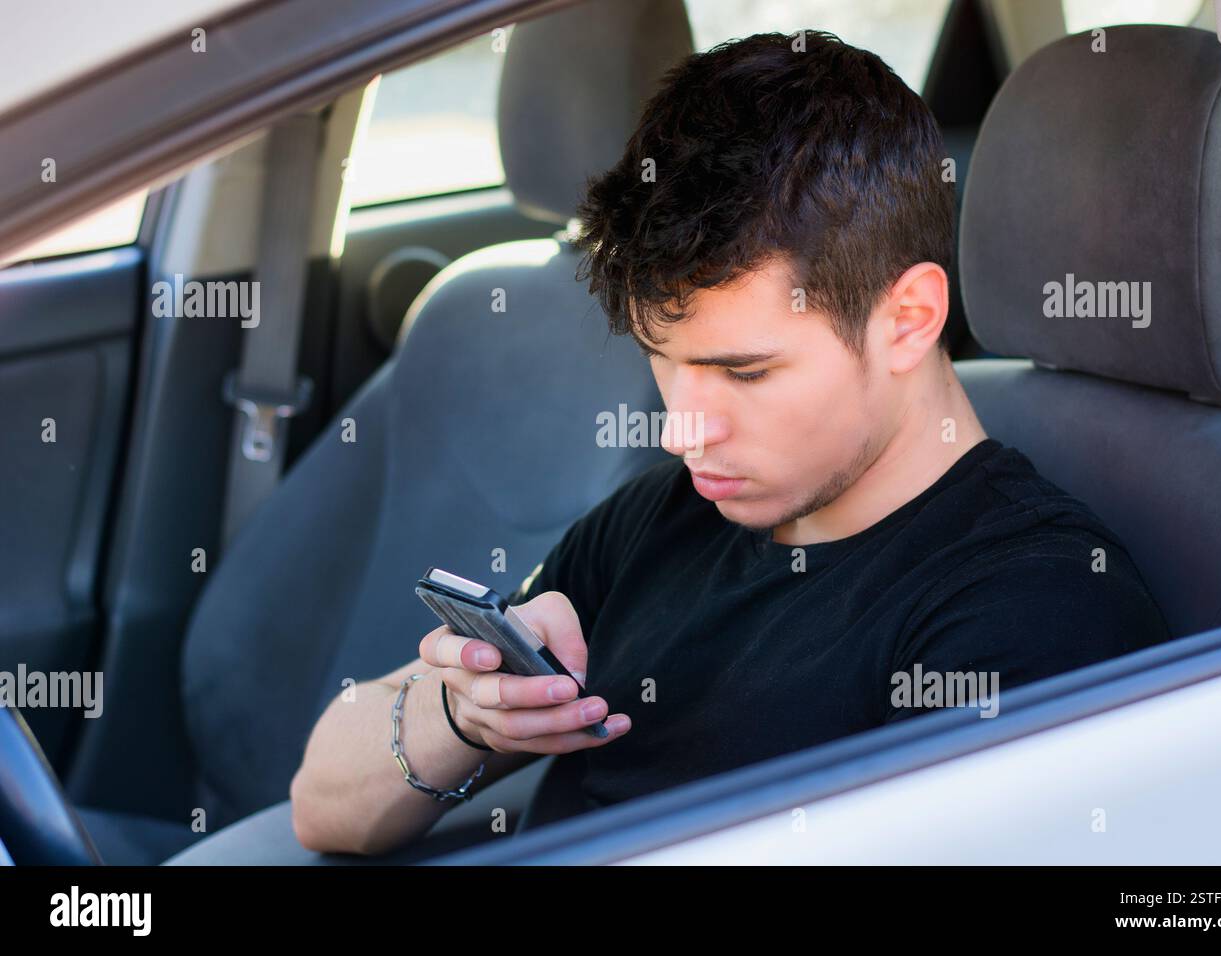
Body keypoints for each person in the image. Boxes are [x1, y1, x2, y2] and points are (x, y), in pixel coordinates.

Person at [289, 31, 1170, 856]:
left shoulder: (1034, 613)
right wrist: (466, 715)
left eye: (745, 373)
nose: (682, 432)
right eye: (662, 363)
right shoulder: (660, 522)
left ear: (909, 320)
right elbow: (322, 804)